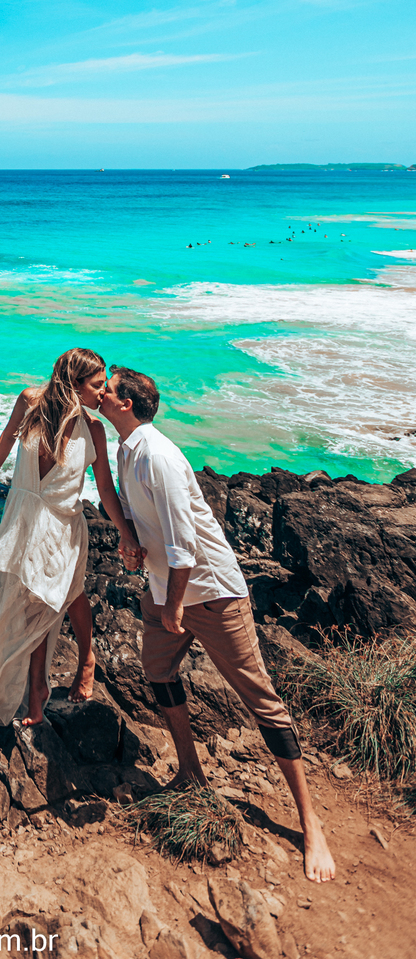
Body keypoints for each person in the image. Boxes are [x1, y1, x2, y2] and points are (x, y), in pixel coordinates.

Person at [98, 366, 336, 885]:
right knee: (158, 673)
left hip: (212, 595)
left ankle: (310, 823)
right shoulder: (126, 448)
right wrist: (131, 541)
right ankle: (190, 770)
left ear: (128, 403)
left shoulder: (157, 455)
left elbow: (184, 545)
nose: (101, 393)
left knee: (259, 697)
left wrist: (176, 608)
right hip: (166, 592)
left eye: (108, 389)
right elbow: (147, 522)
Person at [0, 347, 143, 736]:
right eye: (96, 385)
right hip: (25, 520)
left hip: (64, 528)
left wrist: (126, 533)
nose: (102, 394)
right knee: (35, 603)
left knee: (66, 596)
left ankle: (86, 659)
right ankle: (37, 694)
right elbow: (7, 438)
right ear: (74, 384)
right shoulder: (30, 401)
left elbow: (107, 494)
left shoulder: (93, 430)